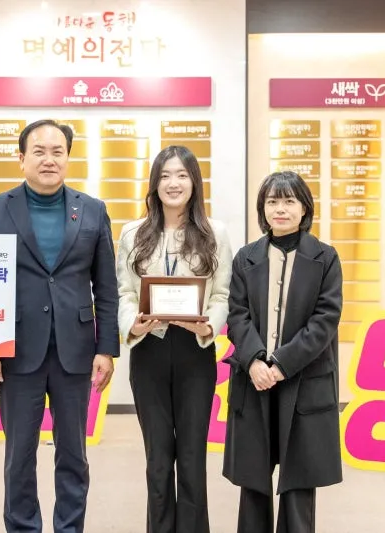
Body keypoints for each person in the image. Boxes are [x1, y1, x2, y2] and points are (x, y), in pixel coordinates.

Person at [0, 119, 119, 533]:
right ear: (21, 159)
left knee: (74, 455)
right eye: (39, 151)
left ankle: (69, 528)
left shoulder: (92, 210)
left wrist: (106, 348)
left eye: (58, 152)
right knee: (19, 456)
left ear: (68, 158)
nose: (49, 159)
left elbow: (106, 287)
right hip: (16, 352)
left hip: (76, 351)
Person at [115, 145, 232, 533]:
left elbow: (222, 295)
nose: (173, 183)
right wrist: (133, 324)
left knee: (193, 458)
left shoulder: (215, 233)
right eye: (165, 175)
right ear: (154, 184)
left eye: (182, 175)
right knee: (159, 460)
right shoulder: (133, 233)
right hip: (148, 350)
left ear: (194, 182)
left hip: (194, 353)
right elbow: (124, 292)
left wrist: (209, 327)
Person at [223, 170, 343, 533]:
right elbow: (237, 315)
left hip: (303, 381)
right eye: (273, 201)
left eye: (289, 201)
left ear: (304, 208)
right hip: (254, 381)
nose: (280, 209)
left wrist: (281, 364)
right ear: (263, 208)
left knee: (298, 483)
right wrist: (255, 361)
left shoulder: (326, 258)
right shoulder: (246, 257)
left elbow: (325, 320)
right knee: (253, 480)